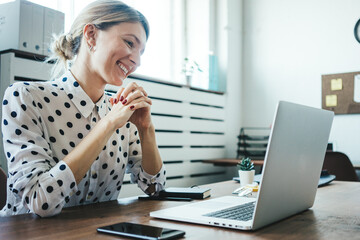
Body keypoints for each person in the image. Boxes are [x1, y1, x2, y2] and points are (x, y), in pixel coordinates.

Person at [0, 0, 166, 217]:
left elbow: (155, 189)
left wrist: (146, 129)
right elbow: (40, 201)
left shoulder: (122, 112)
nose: (137, 60)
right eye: (129, 43)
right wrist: (107, 123)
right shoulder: (24, 97)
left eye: (141, 51)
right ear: (91, 35)